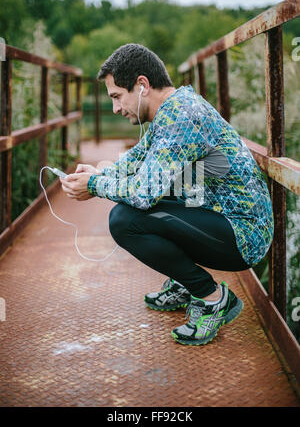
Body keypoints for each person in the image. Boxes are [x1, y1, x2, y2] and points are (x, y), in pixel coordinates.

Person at [60, 43, 274, 346]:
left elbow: (143, 193)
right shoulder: (171, 110)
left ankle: (212, 298)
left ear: (142, 85)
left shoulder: (181, 116)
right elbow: (136, 161)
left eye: (117, 97)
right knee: (144, 202)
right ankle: (186, 284)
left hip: (243, 235)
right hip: (218, 216)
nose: (115, 109)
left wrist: (94, 187)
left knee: (124, 219)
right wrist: (98, 174)